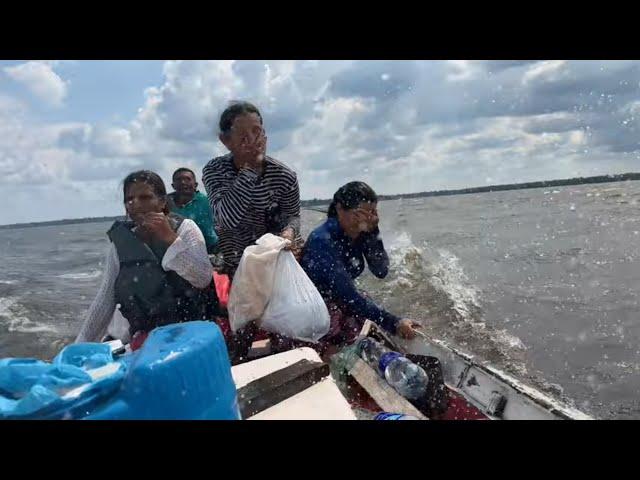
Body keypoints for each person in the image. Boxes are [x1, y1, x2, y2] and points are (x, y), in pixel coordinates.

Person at [75, 170, 218, 347]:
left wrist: (170, 239)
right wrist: (79, 346)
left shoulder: (185, 229)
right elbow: (105, 299)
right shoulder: (119, 245)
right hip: (149, 338)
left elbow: (203, 277)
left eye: (145, 197)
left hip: (192, 332)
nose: (135, 204)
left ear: (162, 202)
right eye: (129, 199)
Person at [301, 181, 421, 348]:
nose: (364, 219)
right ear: (340, 209)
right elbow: (348, 296)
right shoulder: (322, 241)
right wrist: (394, 323)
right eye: (359, 213)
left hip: (342, 301)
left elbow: (381, 270)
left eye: (371, 213)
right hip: (314, 310)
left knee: (376, 331)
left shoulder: (363, 232)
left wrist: (373, 230)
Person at [202, 101, 301, 276]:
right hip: (237, 265)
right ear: (226, 141)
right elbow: (226, 220)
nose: (252, 140)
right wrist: (250, 169)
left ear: (264, 134)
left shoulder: (284, 176)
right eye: (242, 135)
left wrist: (289, 233)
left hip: (276, 262)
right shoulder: (215, 170)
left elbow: (292, 215)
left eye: (256, 131)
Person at [167, 167, 219, 254]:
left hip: (210, 251)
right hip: (176, 252)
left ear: (195, 185)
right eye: (179, 180)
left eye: (187, 179)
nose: (183, 182)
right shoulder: (164, 204)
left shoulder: (208, 201)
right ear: (173, 186)